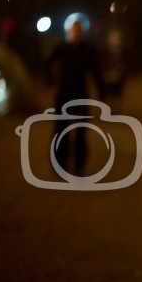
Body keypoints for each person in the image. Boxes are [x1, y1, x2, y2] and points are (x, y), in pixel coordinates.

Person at [45, 21, 105, 176]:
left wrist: (101, 93)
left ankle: (79, 167)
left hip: (80, 95)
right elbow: (47, 64)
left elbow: (96, 72)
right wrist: (52, 83)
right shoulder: (62, 48)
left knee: (80, 132)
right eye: (73, 31)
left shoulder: (87, 50)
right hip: (63, 95)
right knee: (61, 131)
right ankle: (60, 165)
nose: (75, 34)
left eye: (78, 31)